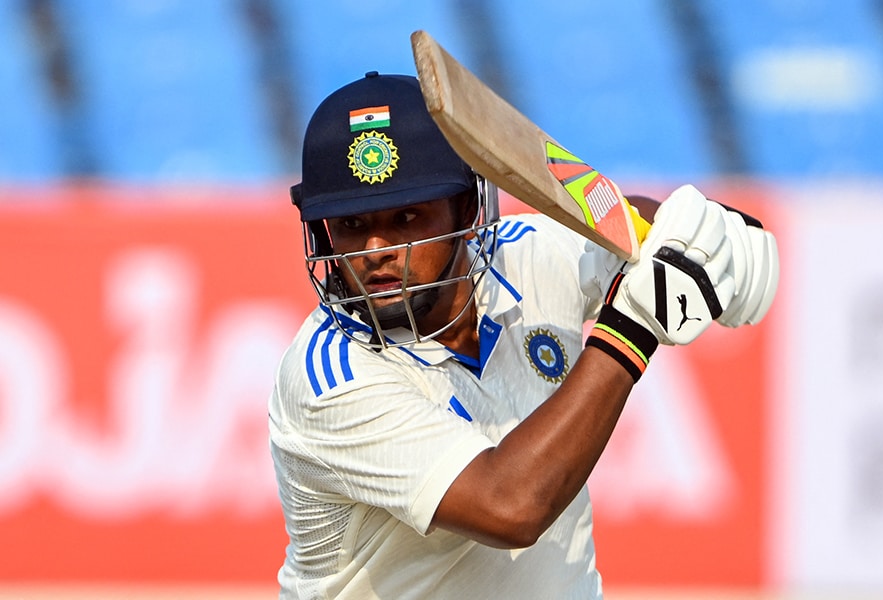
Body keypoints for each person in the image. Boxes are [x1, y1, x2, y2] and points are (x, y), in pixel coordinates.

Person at [268, 71, 779, 599]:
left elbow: (633, 224)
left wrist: (703, 239)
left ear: (467, 210)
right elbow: (511, 506)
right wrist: (632, 327)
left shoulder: (524, 254)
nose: (374, 249)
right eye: (350, 224)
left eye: (406, 216)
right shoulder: (328, 380)